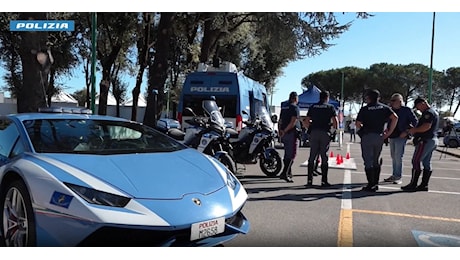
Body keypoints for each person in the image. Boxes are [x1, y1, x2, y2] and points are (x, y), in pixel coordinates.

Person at [355, 89, 398, 192]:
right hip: (379, 136)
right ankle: (375, 184)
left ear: (369, 98)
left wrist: (361, 130)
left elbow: (358, 123)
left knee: (368, 161)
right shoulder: (384, 108)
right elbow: (395, 117)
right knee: (376, 160)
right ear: (378, 98)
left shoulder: (365, 109)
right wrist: (389, 132)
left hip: (367, 136)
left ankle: (371, 184)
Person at [400, 97, 439, 191]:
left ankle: (413, 184)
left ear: (423, 103)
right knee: (426, 162)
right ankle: (424, 185)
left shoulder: (428, 113)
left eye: (418, 107)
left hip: (425, 140)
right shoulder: (434, 112)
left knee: (416, 161)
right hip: (432, 140)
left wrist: (414, 130)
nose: (418, 109)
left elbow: (426, 126)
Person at [303, 91, 338, 187]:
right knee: (324, 156)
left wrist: (308, 129)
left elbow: (306, 121)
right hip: (325, 133)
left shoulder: (313, 107)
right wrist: (333, 132)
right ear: (327, 98)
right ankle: (324, 181)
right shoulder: (330, 107)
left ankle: (309, 181)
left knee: (312, 156)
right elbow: (335, 121)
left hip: (314, 132)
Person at [384, 93, 418, 184]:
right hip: (392, 136)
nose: (392, 102)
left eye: (393, 100)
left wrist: (407, 131)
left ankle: (398, 176)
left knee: (398, 156)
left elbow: (415, 122)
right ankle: (394, 174)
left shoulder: (406, 110)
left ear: (399, 101)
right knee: (393, 156)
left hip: (401, 136)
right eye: (391, 100)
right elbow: (387, 123)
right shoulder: (390, 110)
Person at [278, 91, 300, 183]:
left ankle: (288, 172)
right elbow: (293, 121)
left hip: (284, 133)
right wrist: (286, 130)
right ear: (295, 98)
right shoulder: (295, 108)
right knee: (292, 154)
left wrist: (280, 131)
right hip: (291, 133)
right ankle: (285, 173)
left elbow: (280, 121)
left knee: (287, 153)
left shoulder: (284, 108)